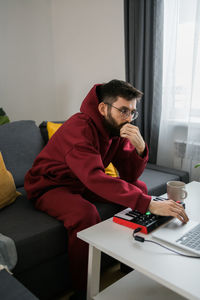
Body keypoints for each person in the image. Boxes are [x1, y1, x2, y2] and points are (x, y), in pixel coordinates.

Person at [24, 79, 188, 300]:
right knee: (84, 213)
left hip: (80, 182)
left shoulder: (116, 129)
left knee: (138, 187)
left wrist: (140, 148)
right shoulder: (79, 129)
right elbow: (95, 178)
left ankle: (128, 261)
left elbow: (130, 176)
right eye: (123, 110)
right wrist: (149, 204)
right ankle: (82, 290)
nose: (128, 118)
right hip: (50, 185)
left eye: (132, 112)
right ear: (103, 108)